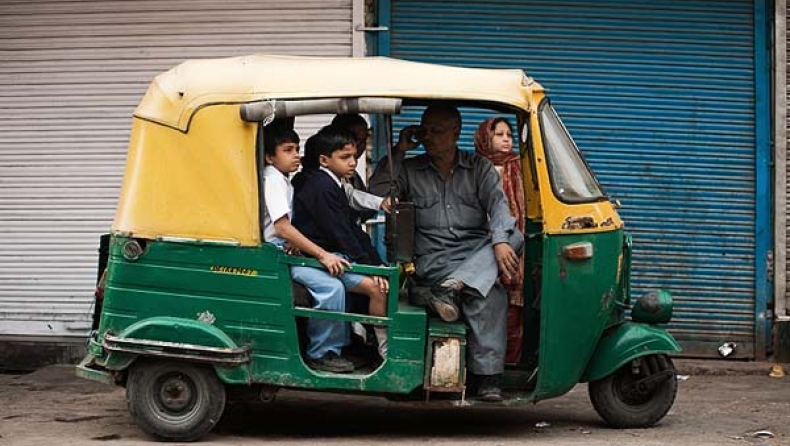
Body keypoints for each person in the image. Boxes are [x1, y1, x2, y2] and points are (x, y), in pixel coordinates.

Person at [370, 104, 524, 401]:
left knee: (512, 237)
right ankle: (487, 374)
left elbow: (499, 206)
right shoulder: (411, 170)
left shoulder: (478, 168)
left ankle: (487, 375)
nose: (428, 137)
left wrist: (500, 241)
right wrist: (400, 150)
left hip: (473, 256)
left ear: (456, 132)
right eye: (425, 130)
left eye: (437, 131)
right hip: (433, 262)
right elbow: (376, 192)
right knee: (487, 292)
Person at [261, 125, 355, 374]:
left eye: (297, 149)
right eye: (288, 150)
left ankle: (339, 346)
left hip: (285, 250)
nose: (296, 155)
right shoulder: (272, 179)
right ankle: (321, 353)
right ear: (270, 157)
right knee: (330, 287)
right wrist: (322, 254)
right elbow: (281, 227)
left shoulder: (282, 179)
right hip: (275, 254)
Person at [292, 125, 390, 358]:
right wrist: (369, 265)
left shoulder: (333, 183)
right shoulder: (321, 186)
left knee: (380, 282)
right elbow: (341, 232)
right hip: (315, 258)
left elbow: (349, 230)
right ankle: (384, 349)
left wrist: (374, 263)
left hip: (333, 255)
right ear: (324, 160)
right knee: (377, 289)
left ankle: (355, 343)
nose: (353, 163)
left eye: (354, 157)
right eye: (345, 157)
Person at [474, 117, 526, 364]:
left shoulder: (520, 165)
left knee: (513, 302)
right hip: (478, 244)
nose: (506, 140)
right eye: (499, 134)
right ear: (486, 137)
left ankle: (508, 363)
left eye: (509, 135)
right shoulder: (475, 168)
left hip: (513, 240)